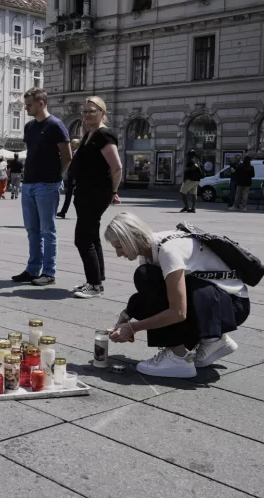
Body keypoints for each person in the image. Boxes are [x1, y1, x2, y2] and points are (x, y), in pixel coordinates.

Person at [104, 212, 250, 378]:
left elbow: (178, 312)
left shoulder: (167, 251)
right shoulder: (152, 250)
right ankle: (215, 339)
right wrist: (126, 315)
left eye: (119, 246)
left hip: (232, 307)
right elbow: (149, 298)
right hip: (218, 303)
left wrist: (133, 328)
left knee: (146, 276)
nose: (118, 253)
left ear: (130, 238)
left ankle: (177, 358)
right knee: (150, 279)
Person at [13, 88, 72, 286]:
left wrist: (55, 175)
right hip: (28, 184)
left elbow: (67, 155)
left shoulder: (56, 125)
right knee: (32, 230)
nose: (26, 108)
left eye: (29, 104)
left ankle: (48, 272)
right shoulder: (29, 127)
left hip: (47, 185)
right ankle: (32, 269)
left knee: (48, 230)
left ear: (41, 103)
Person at [71, 96, 122, 299]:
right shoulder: (90, 134)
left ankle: (94, 284)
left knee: (82, 238)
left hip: (95, 192)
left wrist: (114, 191)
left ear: (102, 112)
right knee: (91, 235)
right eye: (85, 111)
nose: (87, 114)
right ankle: (97, 278)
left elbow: (117, 167)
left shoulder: (104, 135)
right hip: (86, 191)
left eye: (92, 110)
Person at [57, 139, 81, 219]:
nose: (71, 145)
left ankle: (81, 213)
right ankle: (63, 212)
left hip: (75, 177)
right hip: (71, 176)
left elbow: (78, 166)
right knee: (68, 194)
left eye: (72, 144)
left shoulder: (79, 153)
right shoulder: (74, 153)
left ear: (76, 145)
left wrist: (75, 177)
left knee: (77, 197)